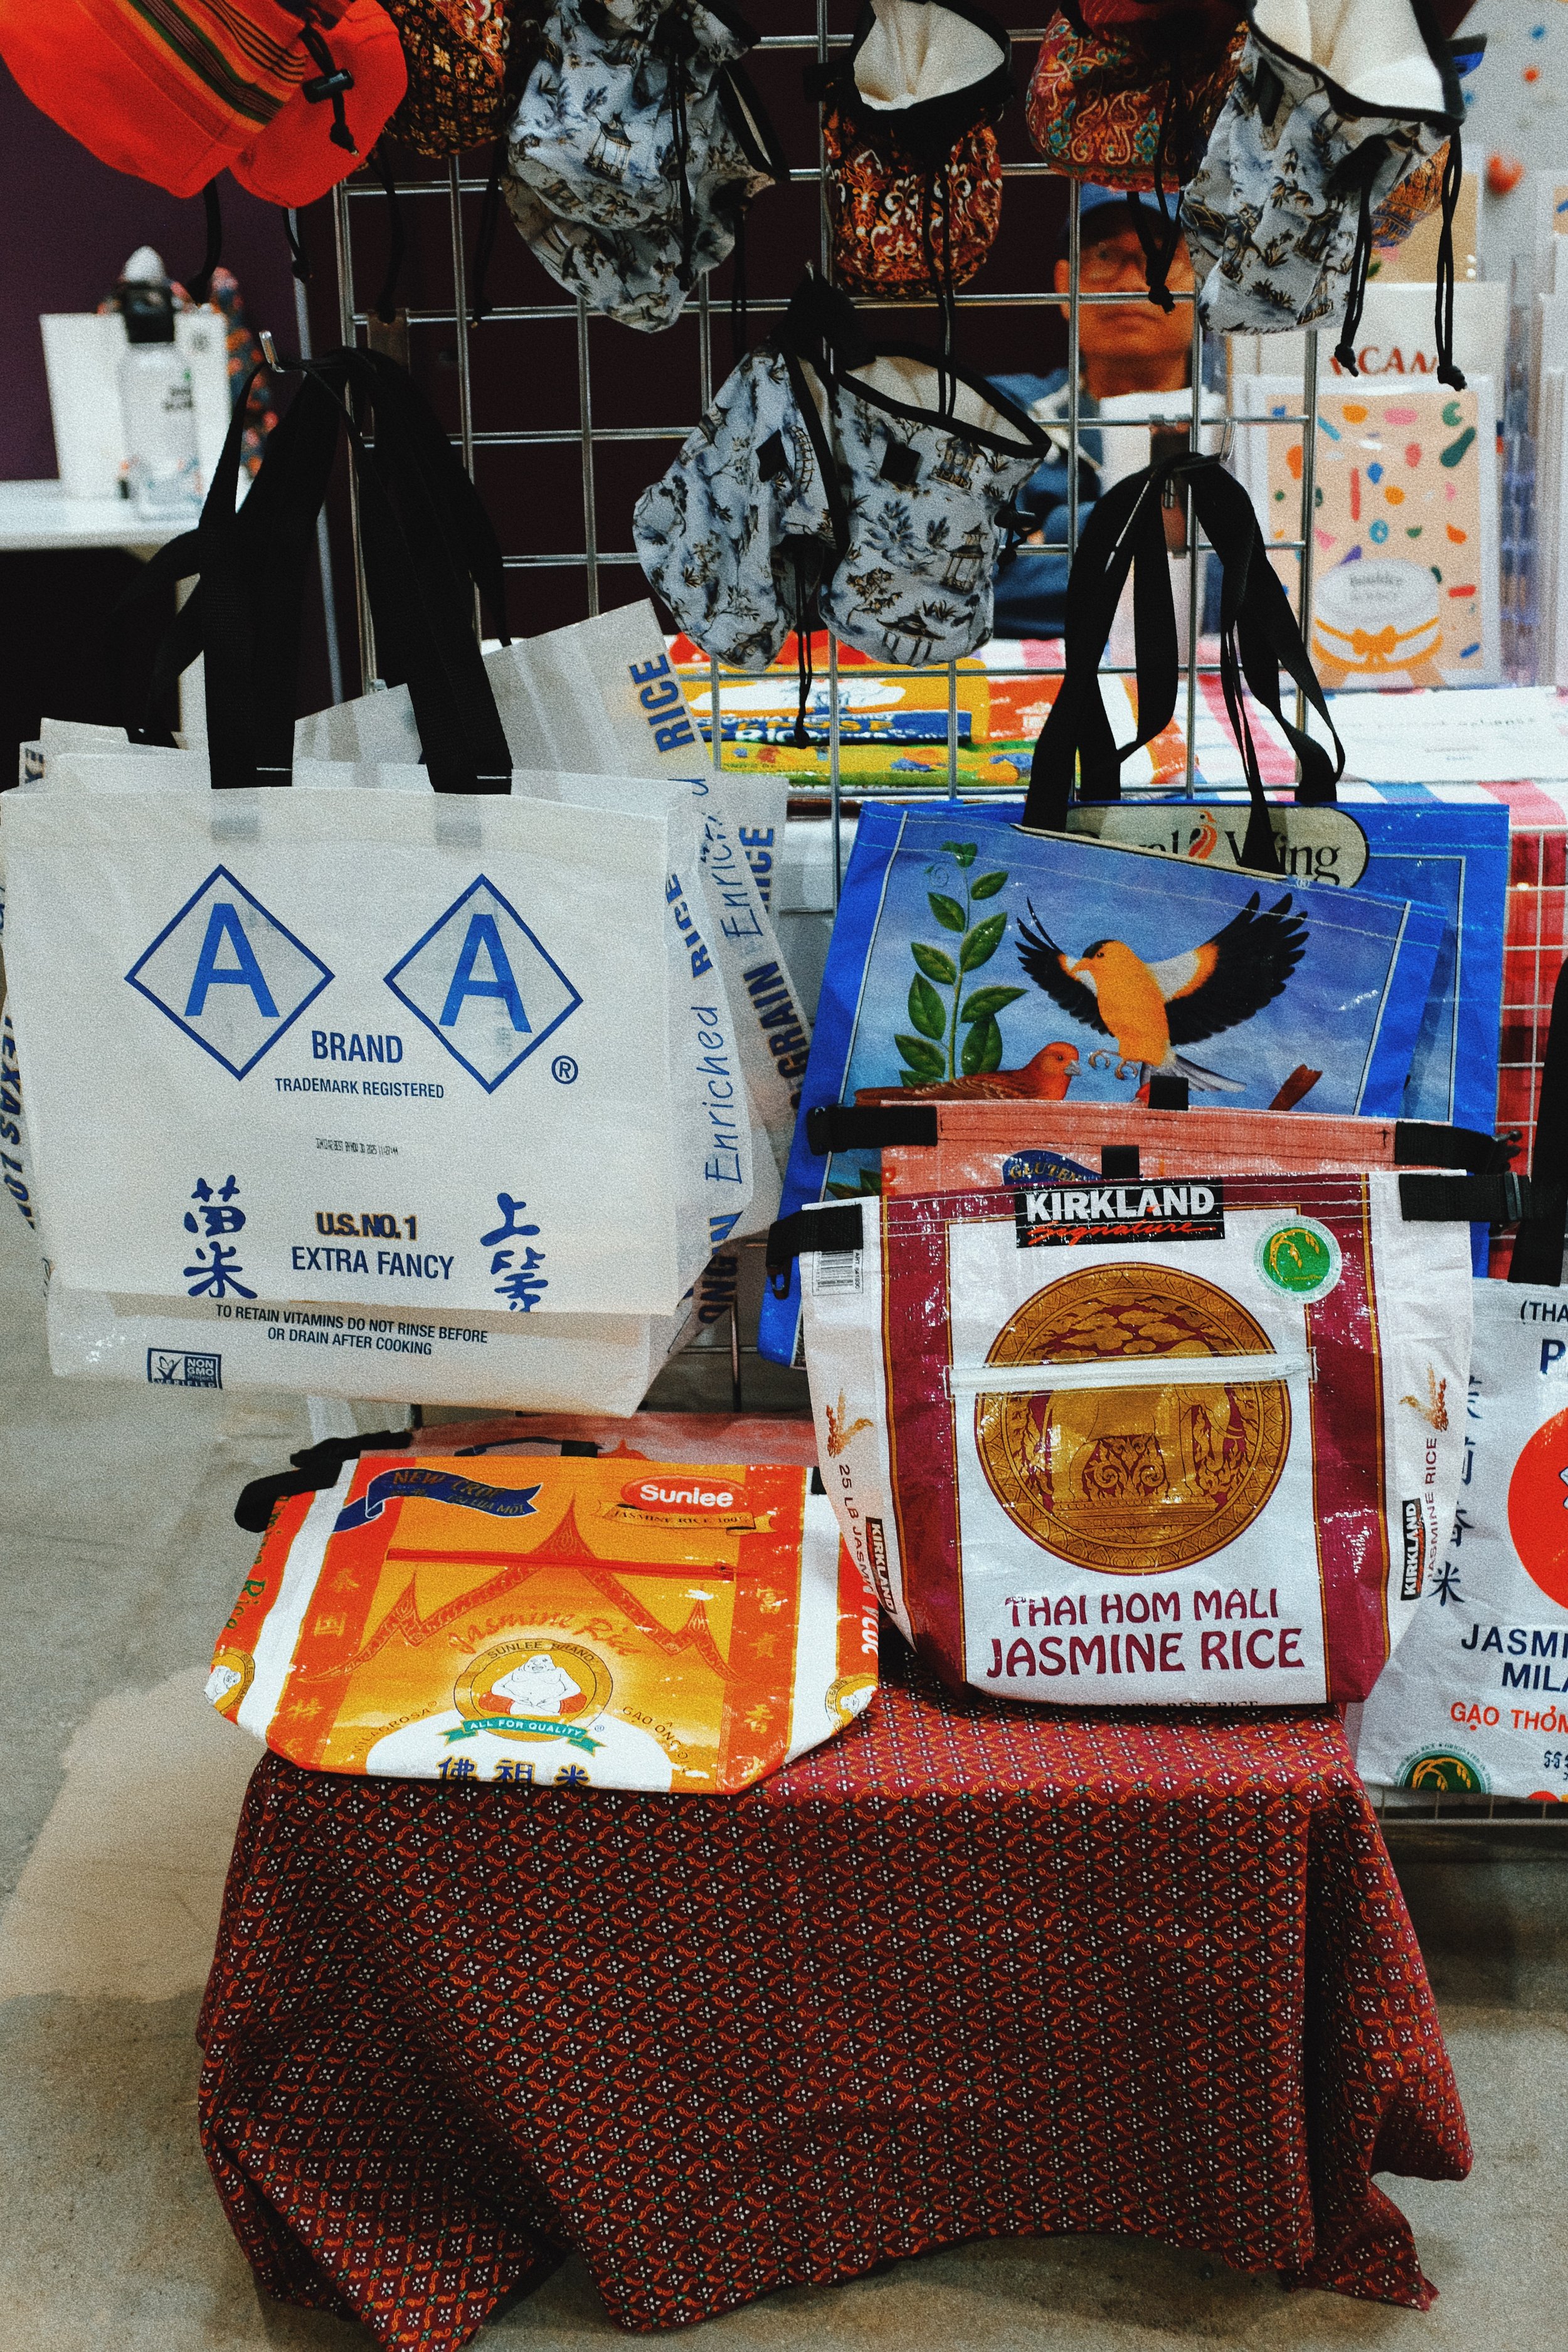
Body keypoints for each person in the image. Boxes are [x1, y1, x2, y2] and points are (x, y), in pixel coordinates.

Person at [991, 184, 1205, 640]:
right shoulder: (1004, 413)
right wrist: (1162, 532)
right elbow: (971, 588)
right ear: (1064, 285)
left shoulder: (1250, 424)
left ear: (1204, 285)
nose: (1131, 283)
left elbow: (1276, 584)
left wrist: (1058, 531)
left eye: (1160, 257)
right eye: (1105, 256)